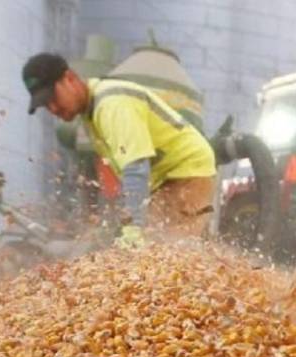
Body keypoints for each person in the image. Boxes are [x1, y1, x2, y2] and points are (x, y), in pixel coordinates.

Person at [22, 52, 217, 241]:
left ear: (70, 78)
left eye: (53, 98)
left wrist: (133, 227)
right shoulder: (91, 112)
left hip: (186, 172)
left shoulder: (111, 105)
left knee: (171, 249)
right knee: (153, 249)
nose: (53, 108)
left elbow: (136, 167)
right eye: (46, 105)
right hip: (165, 179)